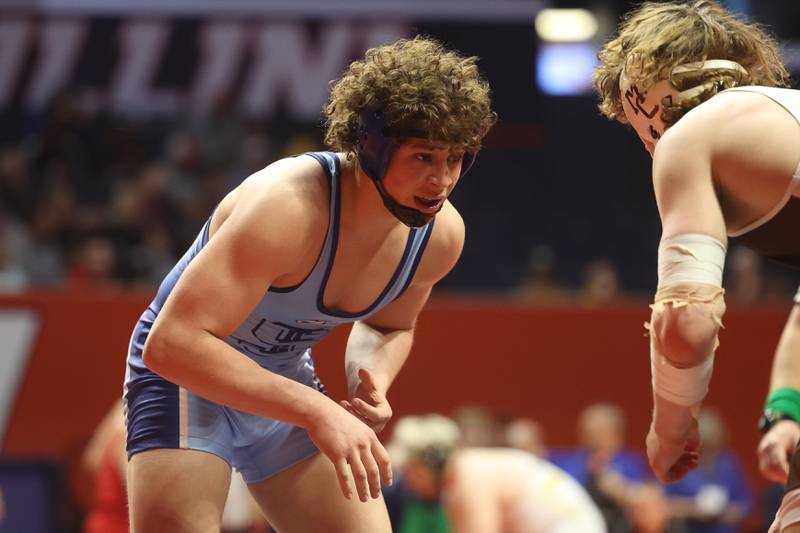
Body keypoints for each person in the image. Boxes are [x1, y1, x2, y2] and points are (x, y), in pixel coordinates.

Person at [124, 36, 496, 532]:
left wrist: (372, 379)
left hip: (280, 378)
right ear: (374, 148)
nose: (442, 181)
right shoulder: (288, 207)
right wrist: (318, 410)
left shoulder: (440, 236)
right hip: (189, 376)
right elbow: (172, 344)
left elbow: (389, 327)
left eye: (454, 159)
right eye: (424, 157)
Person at [593, 0, 800, 528]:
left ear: (644, 88)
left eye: (628, 114)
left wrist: (669, 427)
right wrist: (785, 409)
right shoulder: (780, 117)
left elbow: (688, 319)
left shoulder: (689, 137)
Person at [386, 414, 608, 533]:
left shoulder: (470, 477)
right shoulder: (465, 475)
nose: (409, 483)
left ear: (433, 463)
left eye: (412, 472)